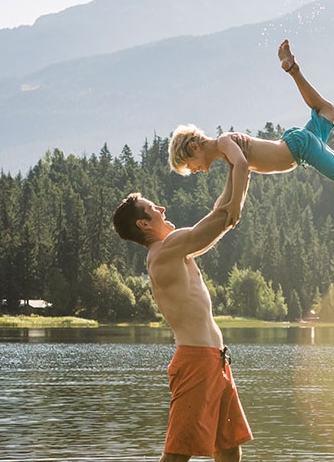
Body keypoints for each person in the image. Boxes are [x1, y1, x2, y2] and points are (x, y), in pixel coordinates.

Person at [167, 39, 334, 224]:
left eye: (190, 165)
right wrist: (224, 209)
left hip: (299, 147)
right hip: (296, 143)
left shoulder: (224, 142)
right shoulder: (228, 156)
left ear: (194, 147)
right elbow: (239, 179)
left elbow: (243, 167)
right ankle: (293, 69)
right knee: (328, 111)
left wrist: (234, 205)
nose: (194, 171)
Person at [112, 165, 253, 462]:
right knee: (177, 454)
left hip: (216, 360)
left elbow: (218, 216)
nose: (162, 209)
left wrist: (235, 169)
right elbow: (219, 220)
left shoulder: (177, 251)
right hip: (196, 362)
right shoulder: (165, 252)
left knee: (228, 447)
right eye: (154, 208)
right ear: (144, 224)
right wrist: (240, 167)